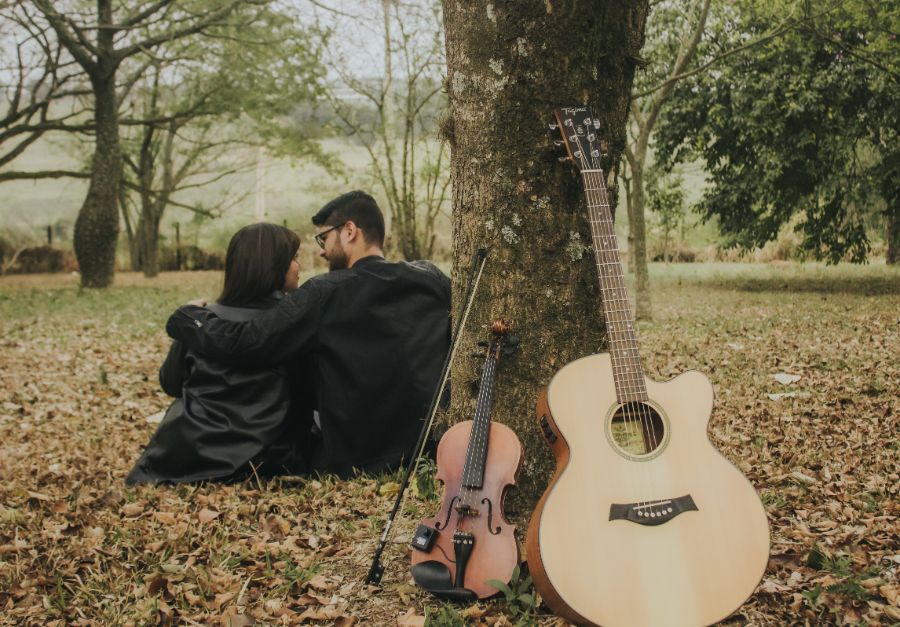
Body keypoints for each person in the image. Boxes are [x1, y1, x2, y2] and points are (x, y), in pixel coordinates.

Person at [166, 191, 451, 477]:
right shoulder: (431, 278)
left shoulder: (324, 292)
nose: (322, 251)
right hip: (431, 450)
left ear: (349, 231)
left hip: (357, 458)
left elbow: (248, 342)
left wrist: (190, 319)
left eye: (323, 238)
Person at [127, 223, 311, 485]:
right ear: (272, 265)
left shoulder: (199, 320)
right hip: (267, 457)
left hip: (188, 455)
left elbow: (171, 383)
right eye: (294, 258)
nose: (298, 266)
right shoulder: (293, 325)